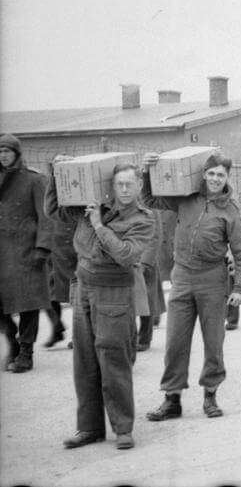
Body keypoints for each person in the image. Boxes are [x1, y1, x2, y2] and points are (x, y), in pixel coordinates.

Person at [45, 159, 156, 450]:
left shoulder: (142, 219)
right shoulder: (93, 206)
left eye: (129, 184)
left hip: (114, 293)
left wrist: (97, 224)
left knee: (113, 361)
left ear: (139, 185)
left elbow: (125, 255)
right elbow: (54, 210)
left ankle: (122, 429)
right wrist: (56, 176)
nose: (123, 189)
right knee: (84, 362)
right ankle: (89, 428)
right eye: (118, 184)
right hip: (82, 288)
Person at [143, 153, 241, 421]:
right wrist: (147, 172)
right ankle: (172, 399)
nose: (215, 179)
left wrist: (239, 287)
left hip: (212, 280)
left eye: (221, 175)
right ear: (204, 174)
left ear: (228, 178)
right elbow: (149, 199)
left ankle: (210, 396)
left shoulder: (232, 210)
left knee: (213, 342)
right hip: (182, 277)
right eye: (211, 173)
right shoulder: (185, 197)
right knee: (175, 342)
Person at [0, 133, 51, 373]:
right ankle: (12, 338)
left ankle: (26, 353)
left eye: (7, 151)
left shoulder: (34, 180)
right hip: (2, 255)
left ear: (17, 154)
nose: (3, 156)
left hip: (25, 251)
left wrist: (42, 248)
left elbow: (45, 216)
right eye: (0, 152)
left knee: (29, 304)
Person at [44, 218, 78, 348]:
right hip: (53, 245)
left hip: (71, 245)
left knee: (77, 293)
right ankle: (56, 327)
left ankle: (78, 336)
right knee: (47, 292)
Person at [135, 209, 166, 352]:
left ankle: (145, 337)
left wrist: (145, 262)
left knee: (147, 299)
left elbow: (155, 235)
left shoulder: (149, 207)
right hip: (126, 255)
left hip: (145, 259)